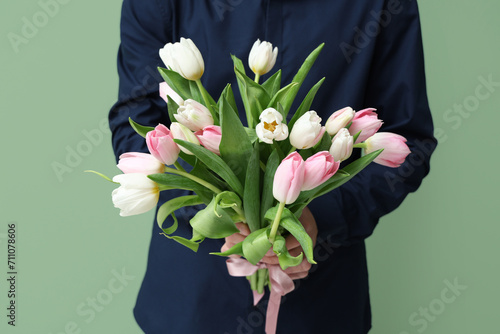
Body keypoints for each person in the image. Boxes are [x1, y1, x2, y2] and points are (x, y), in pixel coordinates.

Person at [109, 0, 437, 333]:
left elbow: (409, 141)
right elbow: (135, 119)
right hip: (192, 302)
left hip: (321, 304)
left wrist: (317, 217)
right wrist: (227, 212)